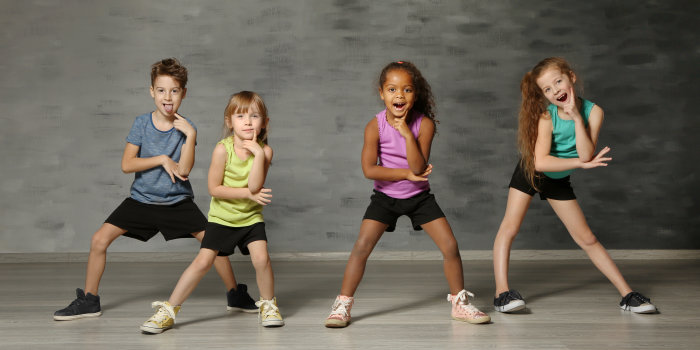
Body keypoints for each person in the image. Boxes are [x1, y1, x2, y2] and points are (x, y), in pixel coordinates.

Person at [53, 58, 256, 321]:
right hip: (142, 201)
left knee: (213, 245)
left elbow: (183, 171)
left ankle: (235, 294)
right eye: (161, 90)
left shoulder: (186, 128)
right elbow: (127, 165)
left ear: (183, 93)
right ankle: (90, 300)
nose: (167, 96)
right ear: (152, 92)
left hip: (177, 202)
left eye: (174, 90)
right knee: (98, 240)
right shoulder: (141, 123)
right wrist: (161, 158)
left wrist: (191, 135)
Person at [324, 61, 491, 328]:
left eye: (407, 90)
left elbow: (418, 167)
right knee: (361, 246)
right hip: (385, 198)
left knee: (450, 246)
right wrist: (404, 175)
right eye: (392, 89)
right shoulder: (374, 126)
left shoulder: (424, 125)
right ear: (381, 93)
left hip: (419, 198)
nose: (399, 95)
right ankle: (342, 305)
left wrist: (406, 135)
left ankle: (460, 305)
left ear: (415, 94)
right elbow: (369, 170)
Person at [492, 57, 657, 314]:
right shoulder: (547, 116)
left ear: (571, 77)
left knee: (587, 238)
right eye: (547, 89)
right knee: (509, 228)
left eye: (558, 81)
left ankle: (627, 295)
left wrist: (577, 119)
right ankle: (502, 294)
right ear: (544, 95)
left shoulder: (595, 111)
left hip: (559, 179)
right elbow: (541, 162)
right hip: (531, 172)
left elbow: (585, 154)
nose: (556, 90)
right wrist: (581, 165)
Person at [140, 91, 281, 333]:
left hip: (250, 218)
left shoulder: (265, 152)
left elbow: (256, 186)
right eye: (240, 116)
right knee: (203, 262)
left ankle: (268, 305)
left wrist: (258, 154)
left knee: (262, 259)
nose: (247, 122)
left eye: (255, 116)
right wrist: (247, 194)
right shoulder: (222, 149)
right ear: (229, 121)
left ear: (265, 122)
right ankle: (168, 310)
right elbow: (215, 189)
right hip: (222, 218)